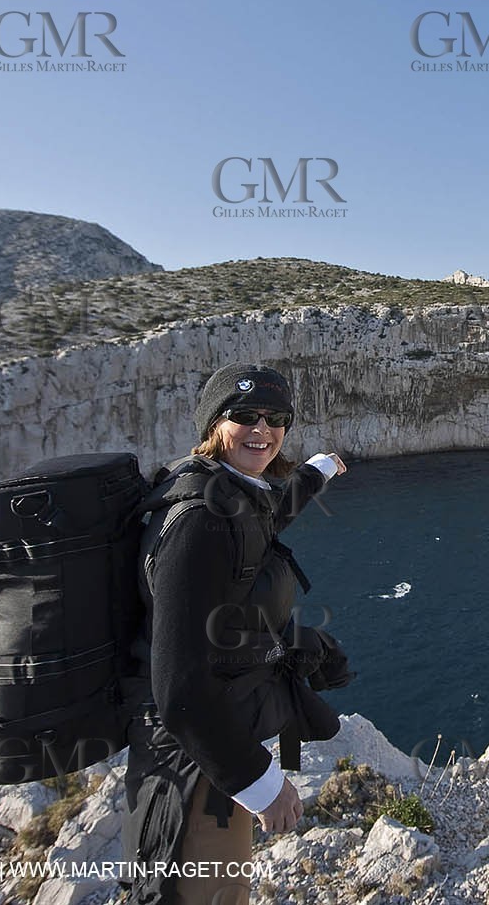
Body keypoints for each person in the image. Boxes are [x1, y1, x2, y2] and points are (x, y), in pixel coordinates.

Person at [120, 363, 348, 905]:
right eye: (244, 416)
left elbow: (265, 517)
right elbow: (178, 690)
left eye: (276, 419)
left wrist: (319, 471)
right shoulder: (198, 521)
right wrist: (261, 783)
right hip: (189, 761)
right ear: (212, 424)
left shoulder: (228, 492)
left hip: (213, 741)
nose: (261, 429)